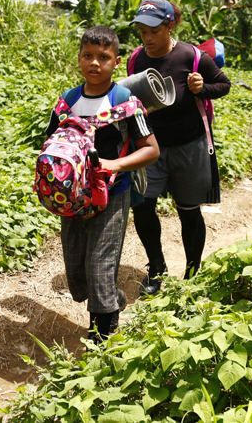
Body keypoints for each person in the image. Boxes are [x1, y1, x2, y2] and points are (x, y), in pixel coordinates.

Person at [44, 25, 159, 342]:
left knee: (99, 268)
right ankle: (113, 302)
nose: (95, 63)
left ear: (117, 62)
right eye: (88, 56)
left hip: (113, 195)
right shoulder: (66, 101)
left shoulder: (125, 101)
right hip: (72, 201)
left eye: (104, 57)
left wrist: (114, 165)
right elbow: (51, 144)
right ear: (79, 59)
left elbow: (151, 149)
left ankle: (102, 339)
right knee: (77, 273)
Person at [128, 0, 231, 295]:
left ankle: (192, 273)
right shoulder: (137, 58)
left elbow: (223, 85)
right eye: (142, 32)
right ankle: (157, 267)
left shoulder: (194, 57)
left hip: (190, 145)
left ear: (169, 26)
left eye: (153, 31)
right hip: (150, 145)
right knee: (143, 206)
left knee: (188, 210)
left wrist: (203, 87)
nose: (147, 38)